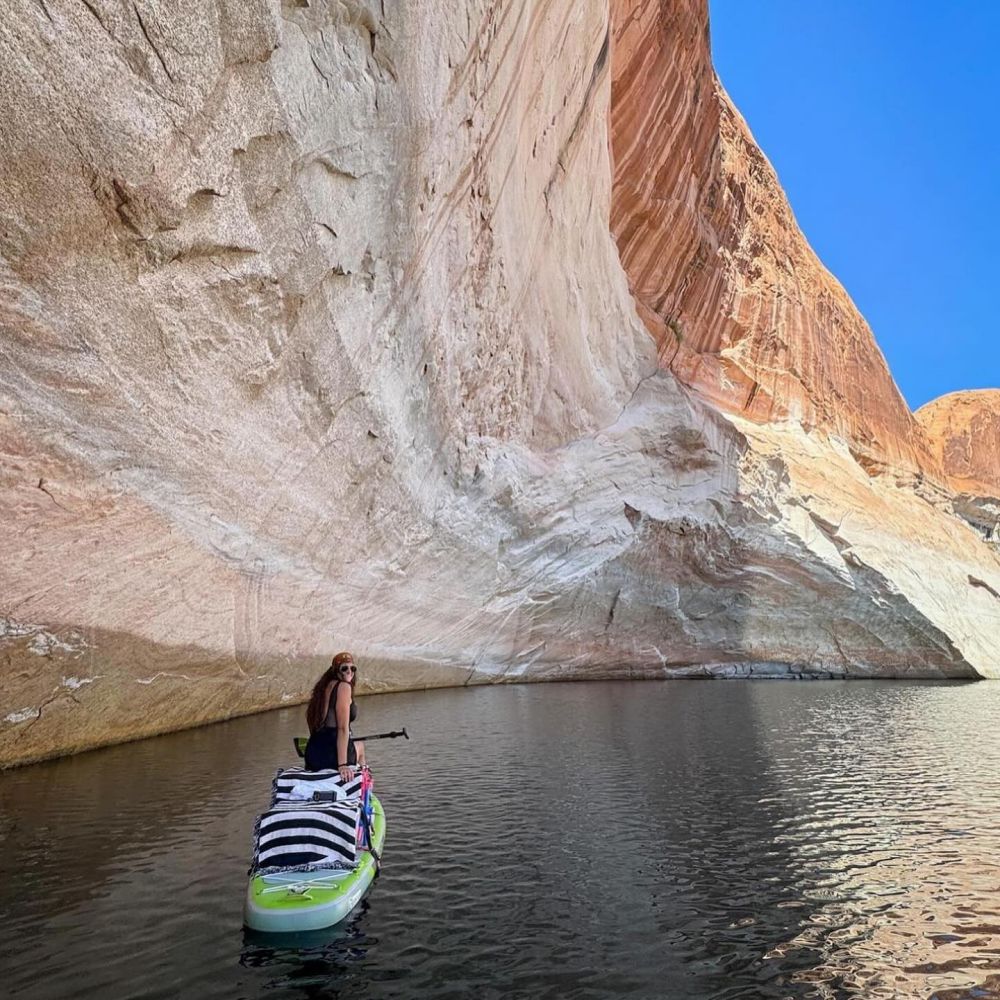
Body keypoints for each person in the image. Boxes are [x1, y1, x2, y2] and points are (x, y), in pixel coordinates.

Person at [304, 652, 365, 780]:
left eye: (352, 668)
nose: (350, 671)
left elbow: (312, 722)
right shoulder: (344, 687)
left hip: (313, 752)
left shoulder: (322, 688)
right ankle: (364, 788)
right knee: (360, 746)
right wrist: (342, 765)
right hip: (333, 755)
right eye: (345, 668)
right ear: (336, 670)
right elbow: (343, 728)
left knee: (355, 743)